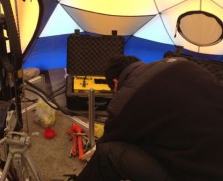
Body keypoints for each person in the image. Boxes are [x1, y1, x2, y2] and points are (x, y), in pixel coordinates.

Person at [73, 55, 223, 181]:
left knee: (106, 155)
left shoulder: (124, 100)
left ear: (115, 83)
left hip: (199, 174)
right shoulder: (183, 62)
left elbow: (108, 141)